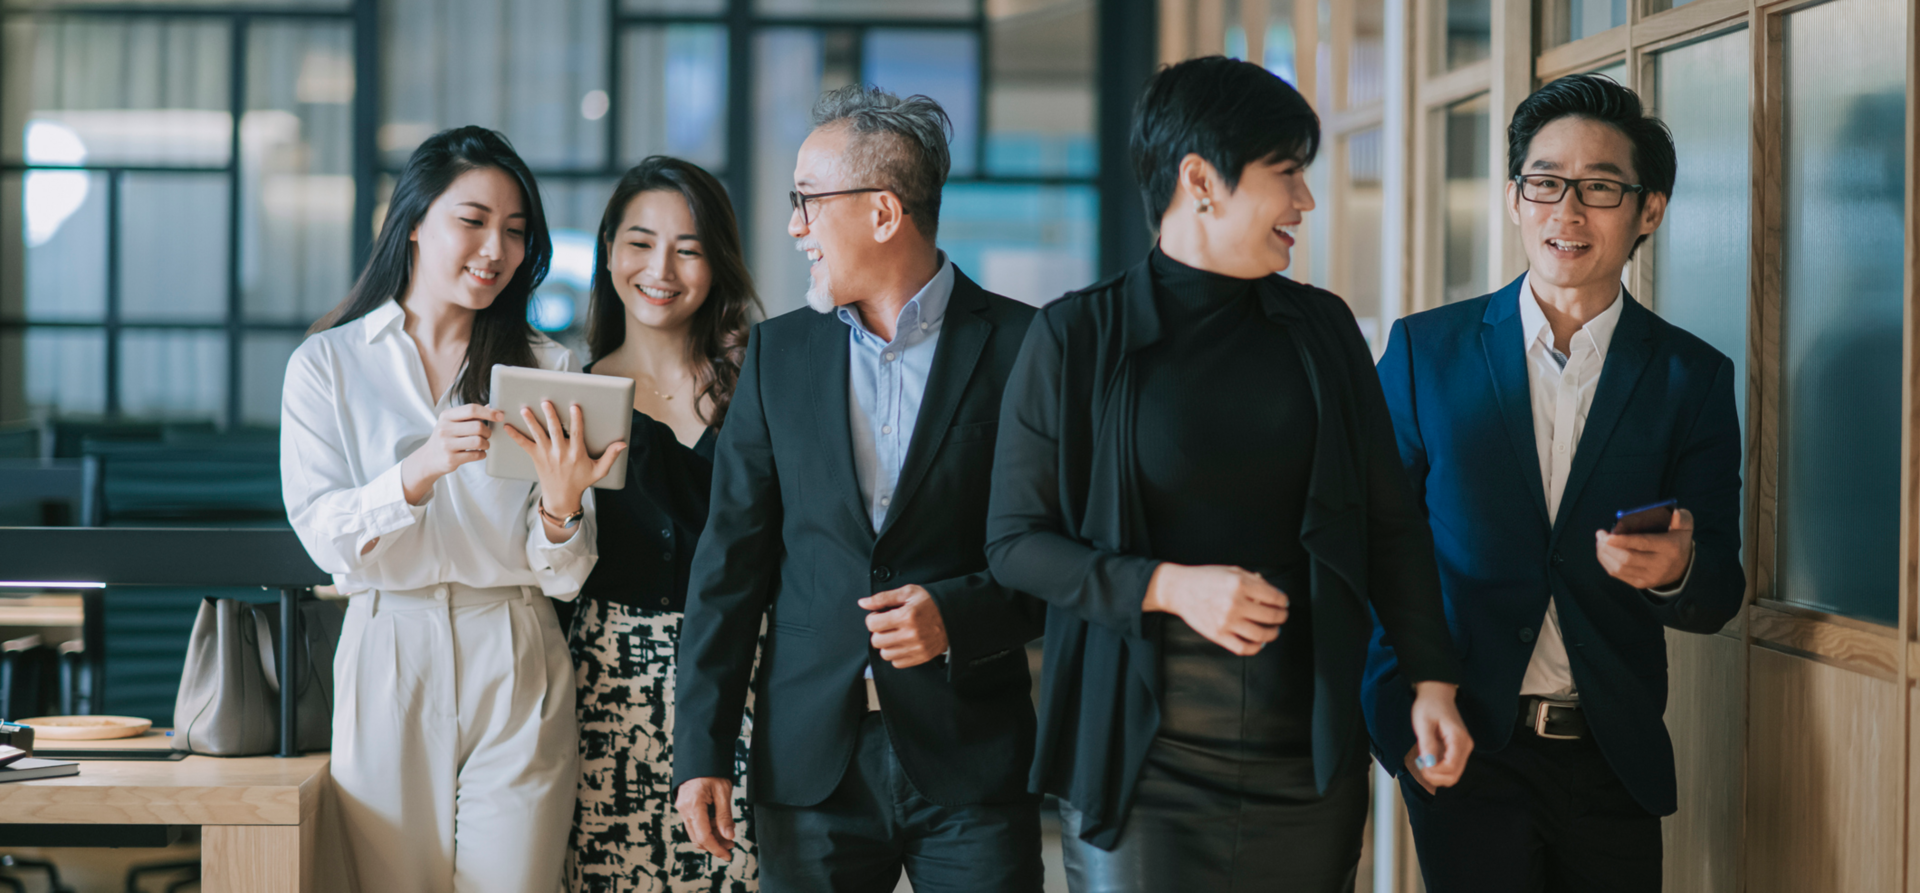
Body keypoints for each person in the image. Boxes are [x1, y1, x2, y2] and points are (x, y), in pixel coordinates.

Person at [984, 56, 1472, 893]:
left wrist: (1432, 679)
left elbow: (1390, 521)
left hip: (1305, 756)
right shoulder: (1077, 337)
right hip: (1141, 760)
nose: (1306, 203)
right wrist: (1168, 586)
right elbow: (1015, 544)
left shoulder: (1321, 331)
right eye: (1287, 174)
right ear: (1200, 179)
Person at [1365, 74, 1745, 892]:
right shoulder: (1425, 354)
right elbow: (1374, 546)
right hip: (1468, 751)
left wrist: (1678, 571)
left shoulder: (1693, 377)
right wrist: (1395, 715)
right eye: (1545, 183)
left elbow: (1719, 588)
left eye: (1600, 187)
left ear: (1650, 210)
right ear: (1513, 197)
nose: (1567, 212)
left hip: (1614, 764)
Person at [671, 85, 1047, 893]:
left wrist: (958, 615)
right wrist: (700, 751)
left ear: (883, 212)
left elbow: (1060, 552)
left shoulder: (1026, 347)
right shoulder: (778, 357)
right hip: (810, 763)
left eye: (807, 201)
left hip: (971, 755)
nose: (793, 227)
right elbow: (728, 567)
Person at [282, 126, 624, 893]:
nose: (495, 249)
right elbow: (321, 533)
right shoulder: (328, 365)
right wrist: (419, 469)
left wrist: (564, 506)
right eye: (472, 221)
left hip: (514, 645)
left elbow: (565, 574)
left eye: (514, 230)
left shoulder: (547, 365)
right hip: (386, 645)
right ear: (412, 222)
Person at [568, 156, 762, 892]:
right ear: (610, 250)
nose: (662, 268)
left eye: (689, 248)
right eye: (641, 242)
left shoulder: (762, 390)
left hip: (747, 682)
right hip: (606, 695)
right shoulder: (570, 397)